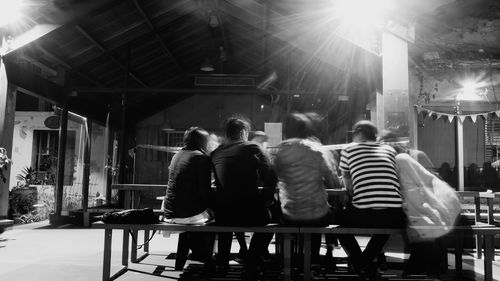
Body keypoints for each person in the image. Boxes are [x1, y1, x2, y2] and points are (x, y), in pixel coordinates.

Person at [211, 116, 278, 280]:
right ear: (243, 132)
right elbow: (270, 176)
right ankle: (251, 262)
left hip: (223, 215)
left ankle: (222, 264)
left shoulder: (216, 152)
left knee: (226, 213)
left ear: (227, 133)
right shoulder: (254, 147)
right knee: (274, 217)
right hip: (250, 213)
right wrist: (265, 198)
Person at [338, 120, 406, 280]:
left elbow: (348, 184)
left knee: (338, 223)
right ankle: (366, 263)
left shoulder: (348, 150)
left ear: (357, 134)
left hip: (364, 213)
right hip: (394, 214)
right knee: (384, 226)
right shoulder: (389, 150)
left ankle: (361, 263)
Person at [274, 112, 341, 268]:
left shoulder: (280, 151)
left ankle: (289, 262)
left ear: (286, 131)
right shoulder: (316, 150)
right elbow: (332, 178)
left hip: (289, 213)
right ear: (306, 130)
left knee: (281, 214)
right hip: (317, 214)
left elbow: (275, 176)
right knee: (324, 213)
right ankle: (314, 259)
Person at [161, 127, 215, 272]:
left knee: (207, 212)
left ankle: (191, 255)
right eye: (207, 140)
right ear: (202, 142)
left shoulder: (177, 155)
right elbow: (205, 192)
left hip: (170, 211)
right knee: (218, 217)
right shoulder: (201, 157)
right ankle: (207, 258)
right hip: (187, 214)